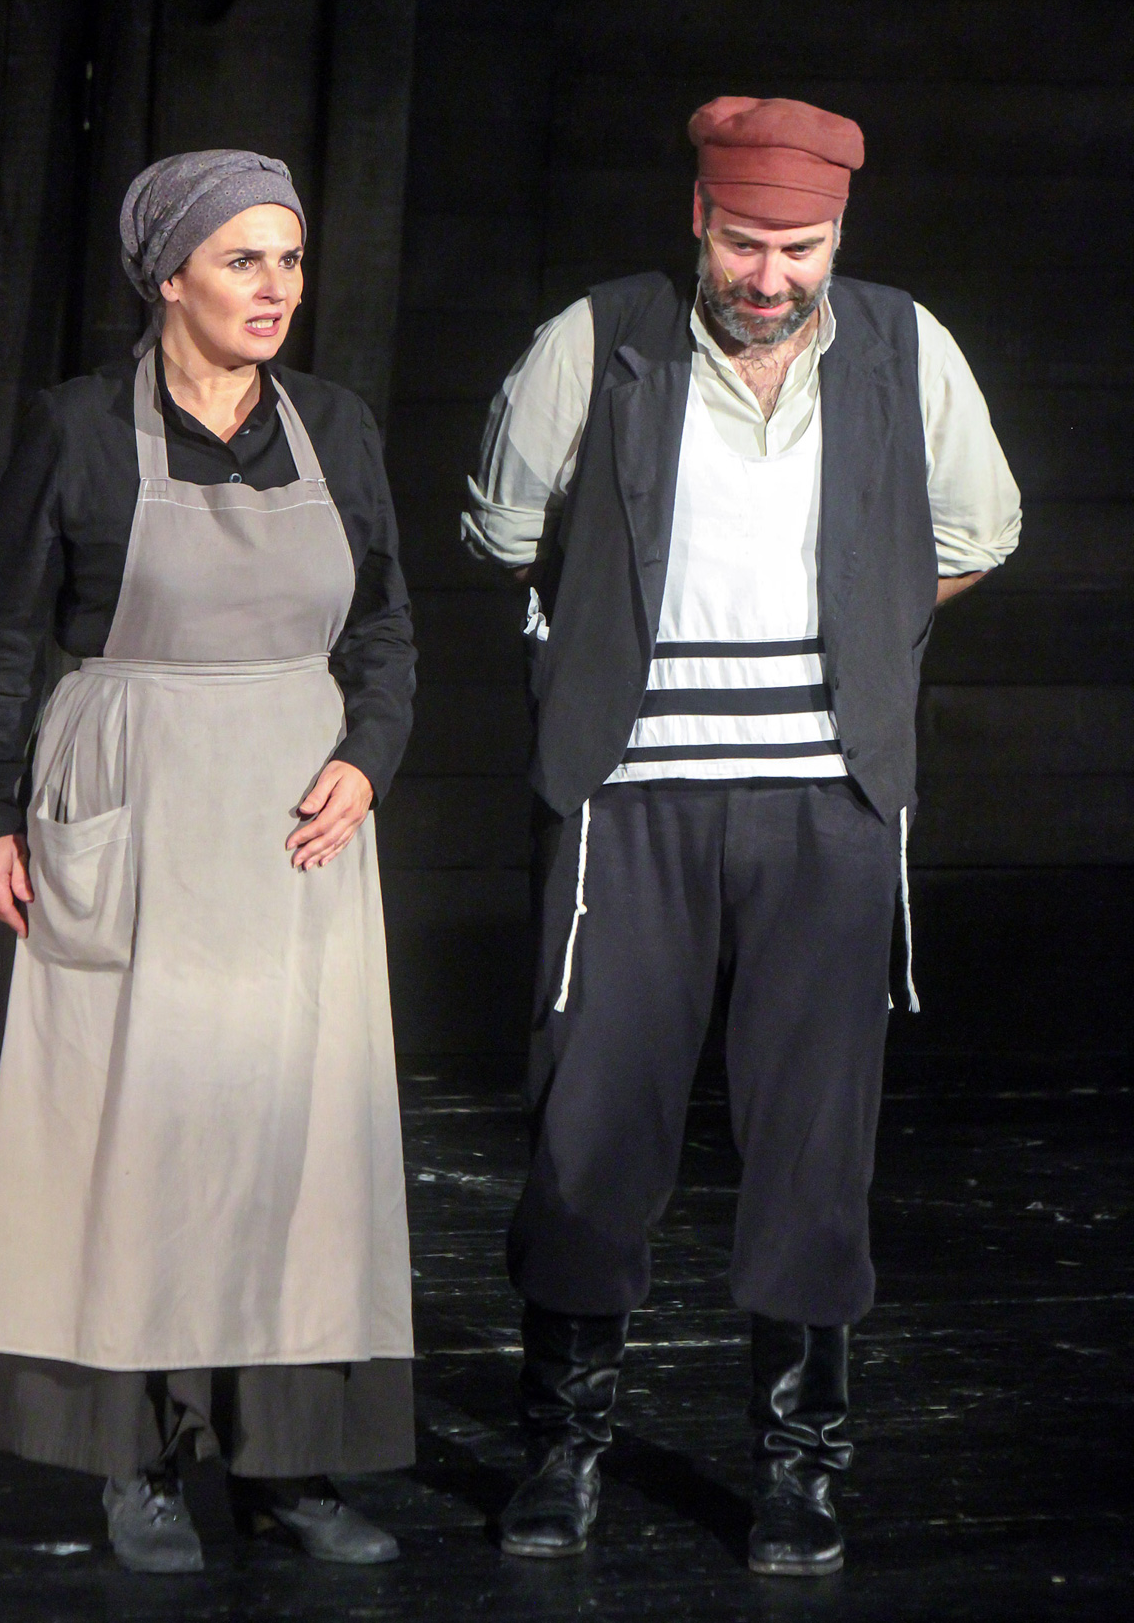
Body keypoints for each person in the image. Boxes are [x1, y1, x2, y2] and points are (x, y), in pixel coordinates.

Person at [464, 97, 1020, 1575]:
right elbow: (504, 529)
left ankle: (800, 1467)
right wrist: (610, 633)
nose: (770, 276)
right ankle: (561, 1447)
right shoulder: (602, 339)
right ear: (697, 221)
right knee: (592, 1124)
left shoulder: (904, 346)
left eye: (800, 247)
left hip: (827, 804)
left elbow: (979, 532)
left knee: (814, 1142)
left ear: (838, 235)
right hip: (630, 797)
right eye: (744, 243)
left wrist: (860, 621)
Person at [0, 150, 417, 1574]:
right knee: (134, 1135)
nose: (277, 288)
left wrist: (369, 755)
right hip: (135, 797)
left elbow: (385, 628)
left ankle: (287, 1464)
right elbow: (1, 639)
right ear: (168, 277)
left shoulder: (335, 426)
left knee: (293, 1138)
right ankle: (135, 1461)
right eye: (242, 260)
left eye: (290, 259)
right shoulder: (80, 428)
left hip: (294, 825)